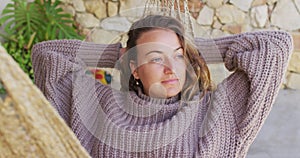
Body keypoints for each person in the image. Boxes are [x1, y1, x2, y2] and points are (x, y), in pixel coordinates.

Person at [31, 15, 293, 157]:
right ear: (134, 66)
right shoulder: (100, 107)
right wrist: (119, 54)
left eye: (178, 56)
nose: (172, 68)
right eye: (156, 58)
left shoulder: (214, 113)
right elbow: (47, 56)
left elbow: (275, 46)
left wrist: (191, 49)